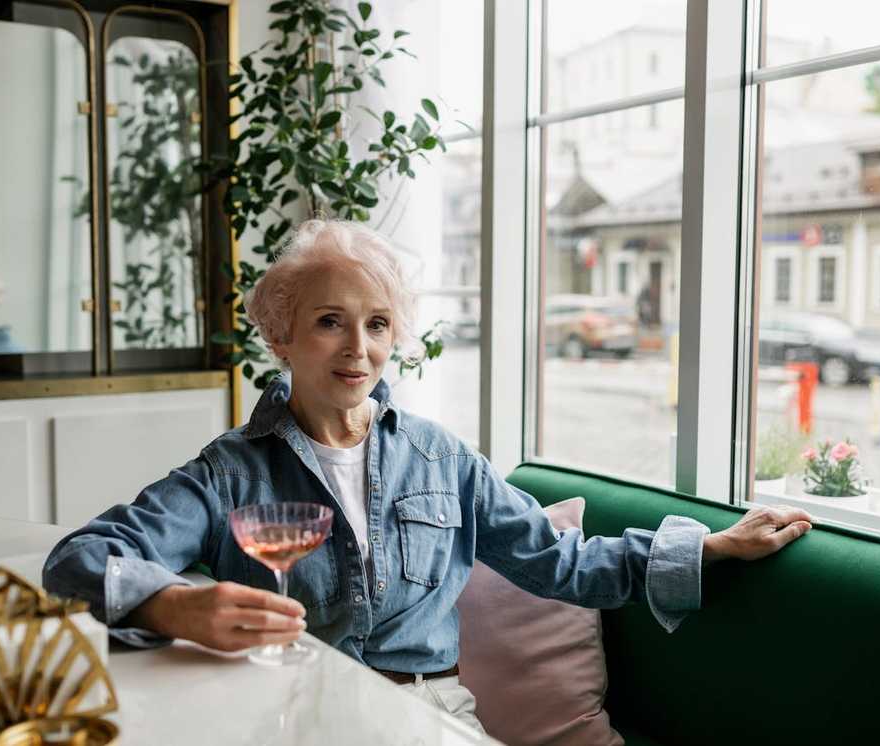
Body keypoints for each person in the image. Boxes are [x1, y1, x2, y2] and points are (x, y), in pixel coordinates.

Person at [43, 219, 812, 733]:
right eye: (329, 321)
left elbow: (560, 561)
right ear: (282, 335)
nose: (359, 348)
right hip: (292, 717)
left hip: (431, 716)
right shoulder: (227, 473)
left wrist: (705, 550)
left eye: (377, 324)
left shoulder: (443, 458)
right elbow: (76, 562)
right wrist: (176, 604)